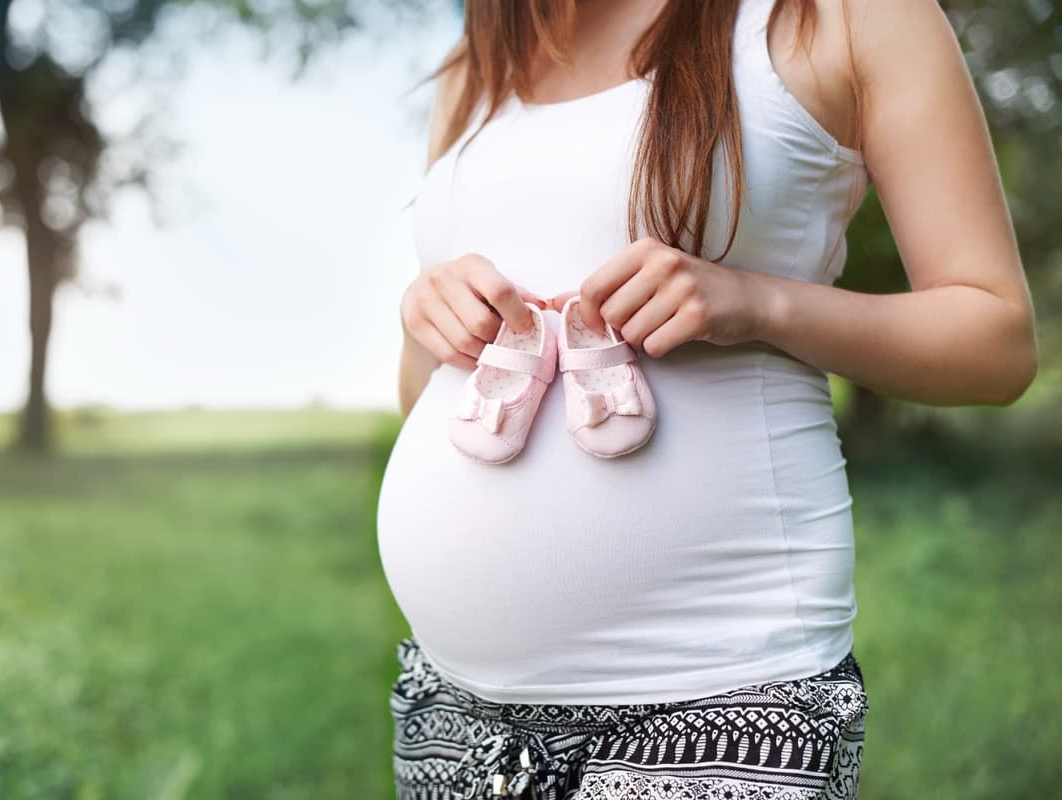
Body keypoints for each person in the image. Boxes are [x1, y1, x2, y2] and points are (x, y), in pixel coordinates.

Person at [375, 0, 1039, 798]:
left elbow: (995, 344)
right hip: (454, 708)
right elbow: (422, 395)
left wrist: (758, 303)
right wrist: (426, 317)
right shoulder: (481, 58)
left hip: (718, 695)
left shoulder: (844, 18)